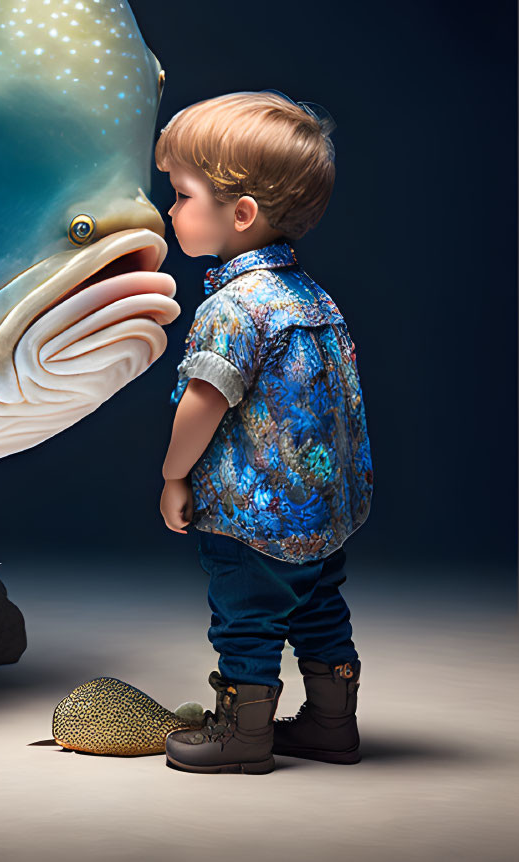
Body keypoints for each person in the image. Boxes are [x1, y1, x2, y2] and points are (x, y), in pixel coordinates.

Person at [154, 90, 372, 774]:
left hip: (252, 517)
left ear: (240, 214)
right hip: (323, 514)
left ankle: (242, 733)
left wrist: (172, 476)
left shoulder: (233, 309)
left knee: (245, 618)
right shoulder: (315, 300)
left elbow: (202, 403)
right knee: (317, 609)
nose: (169, 209)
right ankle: (332, 724)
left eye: (182, 195)